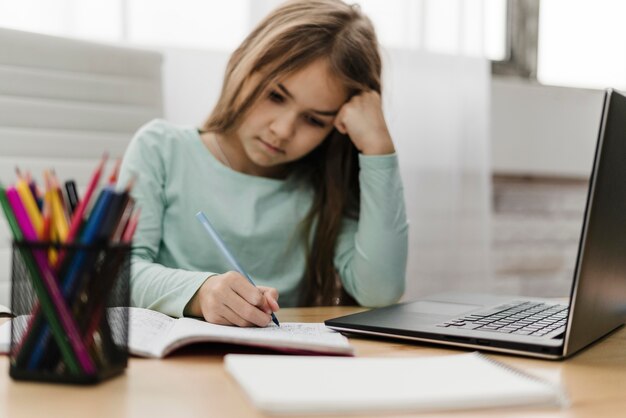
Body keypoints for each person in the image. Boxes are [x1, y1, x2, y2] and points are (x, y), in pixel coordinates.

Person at [117, 0, 408, 328]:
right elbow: (119, 274)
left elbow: (380, 292)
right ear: (243, 64)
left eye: (313, 119)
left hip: (278, 362)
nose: (283, 131)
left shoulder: (322, 186)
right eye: (275, 96)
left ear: (336, 127)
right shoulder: (161, 148)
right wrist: (201, 292)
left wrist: (378, 149)